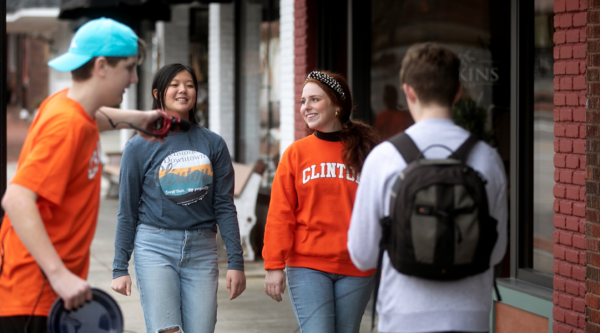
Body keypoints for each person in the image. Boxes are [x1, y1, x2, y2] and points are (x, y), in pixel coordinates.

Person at [0, 18, 162, 332]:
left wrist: (138, 119)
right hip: (34, 294)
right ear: (101, 67)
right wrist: (59, 275)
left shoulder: (66, 106)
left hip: (46, 292)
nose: (134, 78)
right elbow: (17, 199)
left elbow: (91, 116)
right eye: (129, 68)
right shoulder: (67, 126)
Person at [348, 42, 507, 333]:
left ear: (408, 91)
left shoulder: (384, 158)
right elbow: (495, 253)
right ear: (458, 92)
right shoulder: (488, 158)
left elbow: (362, 254)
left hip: (403, 316)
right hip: (470, 316)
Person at [110, 63, 246, 333]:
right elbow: (127, 210)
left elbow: (224, 206)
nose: (183, 90)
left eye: (190, 84)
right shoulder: (139, 146)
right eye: (175, 84)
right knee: (166, 331)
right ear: (158, 93)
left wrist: (236, 261)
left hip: (202, 250)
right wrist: (119, 268)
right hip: (155, 247)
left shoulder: (213, 143)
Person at [263, 70, 380, 333]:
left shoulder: (367, 151)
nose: (306, 107)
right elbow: (281, 214)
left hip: (357, 265)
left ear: (337, 104)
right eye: (303, 101)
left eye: (314, 100)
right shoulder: (296, 153)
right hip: (308, 265)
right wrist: (273, 265)